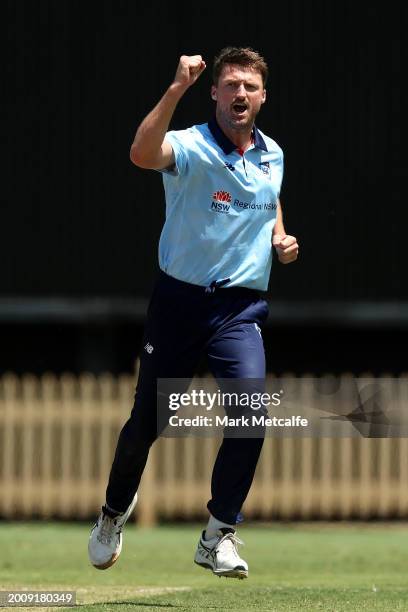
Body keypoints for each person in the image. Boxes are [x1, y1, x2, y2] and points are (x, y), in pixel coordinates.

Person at [88, 47, 299, 580]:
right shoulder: (190, 144)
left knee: (251, 415)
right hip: (180, 304)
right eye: (230, 86)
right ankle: (113, 514)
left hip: (240, 309)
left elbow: (268, 194)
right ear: (215, 93)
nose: (240, 95)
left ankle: (218, 533)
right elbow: (140, 153)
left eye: (250, 86)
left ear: (263, 96)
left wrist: (278, 236)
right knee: (148, 424)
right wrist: (175, 87)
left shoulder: (272, 152)